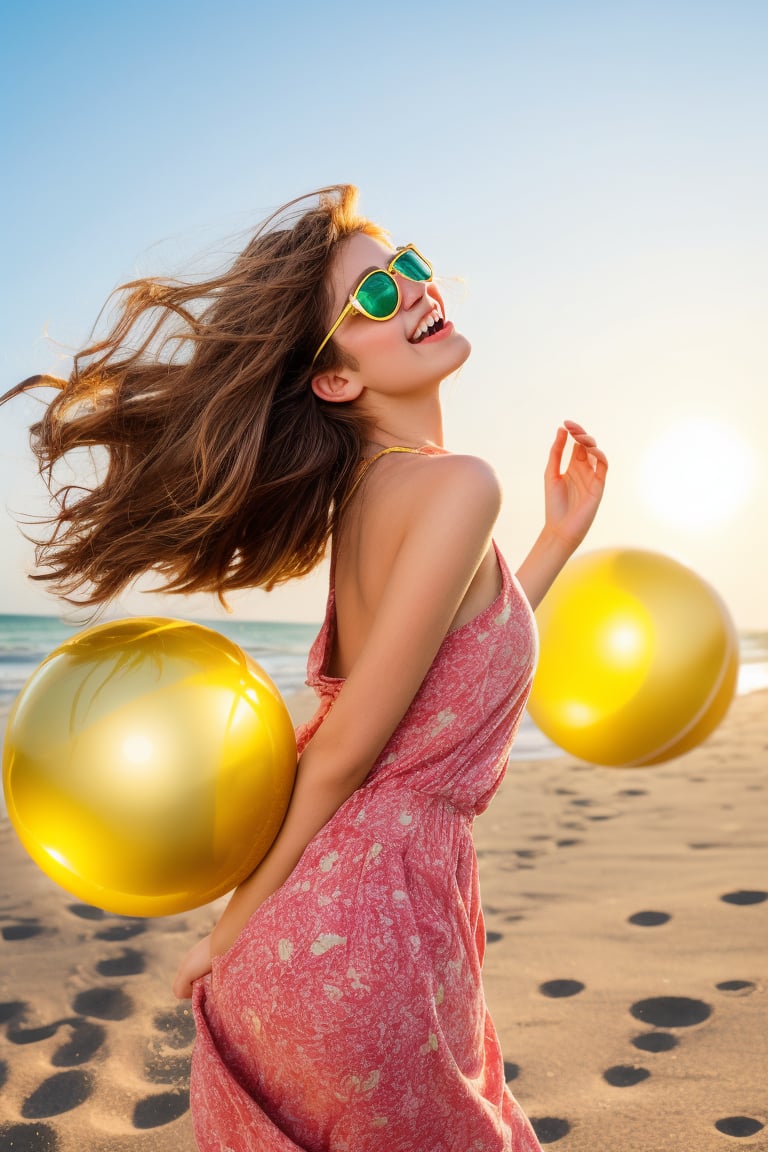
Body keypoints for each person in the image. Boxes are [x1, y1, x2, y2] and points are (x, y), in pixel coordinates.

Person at [3, 185, 607, 1150]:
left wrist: (556, 542)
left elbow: (449, 663)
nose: (414, 290)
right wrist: (229, 929)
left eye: (407, 266)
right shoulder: (456, 486)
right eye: (375, 296)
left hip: (334, 934)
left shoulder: (378, 495)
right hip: (370, 935)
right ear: (333, 382)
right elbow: (346, 754)